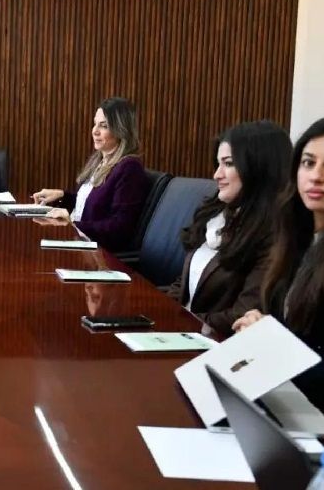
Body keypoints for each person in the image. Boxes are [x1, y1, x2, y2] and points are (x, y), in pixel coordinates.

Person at [233, 115, 324, 417]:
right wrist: (262, 328)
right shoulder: (296, 237)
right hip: (288, 398)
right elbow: (299, 330)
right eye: (308, 163)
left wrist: (273, 346)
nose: (316, 176)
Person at [164, 121, 292, 335]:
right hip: (185, 332)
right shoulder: (217, 214)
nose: (217, 174)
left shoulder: (275, 232)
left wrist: (177, 320)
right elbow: (184, 283)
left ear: (258, 168)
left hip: (214, 342)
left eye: (228, 163)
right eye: (218, 164)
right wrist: (158, 311)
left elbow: (241, 317)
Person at [32, 97, 150, 251]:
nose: (95, 131)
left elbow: (119, 228)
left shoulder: (129, 168)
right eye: (95, 124)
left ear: (121, 131)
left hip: (100, 255)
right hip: (83, 245)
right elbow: (91, 207)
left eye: (104, 126)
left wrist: (73, 224)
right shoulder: (100, 161)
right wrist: (62, 196)